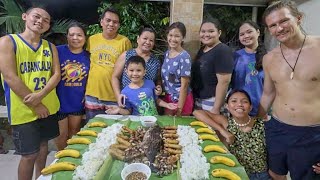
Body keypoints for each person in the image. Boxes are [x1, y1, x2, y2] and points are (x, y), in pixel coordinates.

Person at [258, 1, 320, 179]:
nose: (279, 28)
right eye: (273, 25)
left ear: (298, 18)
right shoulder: (269, 58)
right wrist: (254, 120)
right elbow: (268, 94)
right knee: (275, 174)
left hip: (312, 133)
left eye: (284, 21)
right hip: (277, 128)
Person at [0, 7, 60, 180]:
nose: (40, 21)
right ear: (25, 17)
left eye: (46, 20)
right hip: (24, 110)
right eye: (37, 16)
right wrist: (37, 103)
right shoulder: (7, 42)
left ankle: (40, 178)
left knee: (43, 149)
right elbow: (10, 77)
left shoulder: (50, 47)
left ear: (48, 26)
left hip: (48, 108)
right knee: (28, 155)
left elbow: (56, 75)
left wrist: (40, 97)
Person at [193, 89, 270, 180]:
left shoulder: (261, 124)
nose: (239, 104)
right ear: (227, 106)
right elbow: (197, 113)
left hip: (261, 174)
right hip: (235, 173)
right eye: (234, 101)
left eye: (244, 102)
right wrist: (222, 130)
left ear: (250, 107)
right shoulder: (226, 122)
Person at [85, 7, 132, 121]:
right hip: (92, 95)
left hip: (114, 96)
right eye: (108, 20)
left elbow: (129, 69)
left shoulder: (124, 42)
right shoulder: (91, 40)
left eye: (115, 22)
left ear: (119, 25)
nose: (111, 24)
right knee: (92, 130)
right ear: (101, 22)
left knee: (113, 131)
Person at [54, 22, 90, 150]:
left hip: (77, 101)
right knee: (61, 135)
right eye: (72, 35)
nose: (75, 38)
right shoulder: (57, 51)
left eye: (79, 35)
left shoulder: (89, 56)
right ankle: (62, 159)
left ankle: (72, 160)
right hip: (59, 101)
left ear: (85, 38)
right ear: (67, 37)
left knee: (74, 133)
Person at [106, 56, 176, 115]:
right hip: (137, 124)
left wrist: (167, 105)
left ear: (144, 72)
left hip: (153, 120)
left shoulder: (150, 83)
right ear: (126, 71)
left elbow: (156, 100)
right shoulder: (125, 92)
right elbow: (128, 112)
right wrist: (118, 110)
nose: (135, 73)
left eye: (138, 70)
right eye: (131, 70)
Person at [191, 19, 233, 114]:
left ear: (219, 33)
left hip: (213, 101)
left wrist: (216, 108)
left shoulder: (223, 51)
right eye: (203, 31)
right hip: (200, 99)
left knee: (212, 128)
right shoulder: (202, 50)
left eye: (211, 31)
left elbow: (224, 82)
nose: (206, 34)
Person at [112, 27, 161, 107]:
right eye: (145, 38)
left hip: (147, 106)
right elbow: (115, 77)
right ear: (138, 39)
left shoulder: (156, 61)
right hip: (128, 103)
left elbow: (158, 80)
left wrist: (159, 87)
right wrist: (118, 96)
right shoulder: (126, 55)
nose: (148, 42)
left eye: (151, 40)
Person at [231, 20, 266, 116]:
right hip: (237, 109)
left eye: (249, 32)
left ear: (258, 32)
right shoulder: (235, 56)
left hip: (260, 111)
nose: (246, 36)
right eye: (242, 34)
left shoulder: (268, 58)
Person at [161, 22, 193, 116]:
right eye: (170, 35)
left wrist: (179, 109)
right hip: (168, 98)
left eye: (177, 36)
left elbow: (184, 86)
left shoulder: (184, 57)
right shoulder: (167, 53)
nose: (173, 39)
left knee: (181, 128)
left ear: (182, 38)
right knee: (167, 127)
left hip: (182, 100)